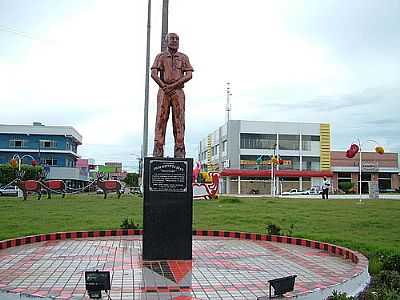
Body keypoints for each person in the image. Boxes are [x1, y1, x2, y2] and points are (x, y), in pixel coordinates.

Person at [151, 33, 194, 158]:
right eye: (172, 39)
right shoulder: (161, 57)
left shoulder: (183, 57)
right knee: (161, 119)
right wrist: (164, 86)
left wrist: (174, 85)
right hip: (163, 91)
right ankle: (158, 149)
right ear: (166, 41)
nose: (174, 41)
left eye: (177, 39)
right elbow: (154, 73)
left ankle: (179, 149)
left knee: (179, 120)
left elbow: (189, 75)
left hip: (178, 91)